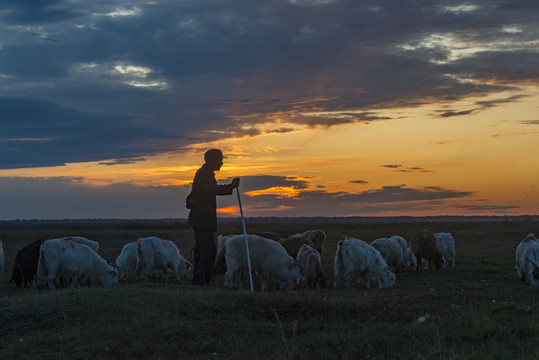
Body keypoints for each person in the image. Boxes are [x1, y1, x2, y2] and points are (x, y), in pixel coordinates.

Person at [186, 149, 240, 285]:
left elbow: (194, 194)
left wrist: (191, 201)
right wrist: (231, 186)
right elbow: (210, 189)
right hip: (203, 220)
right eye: (219, 160)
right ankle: (202, 282)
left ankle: (198, 281)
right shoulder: (204, 173)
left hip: (201, 219)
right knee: (209, 250)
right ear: (211, 160)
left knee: (201, 251)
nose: (222, 163)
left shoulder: (204, 173)